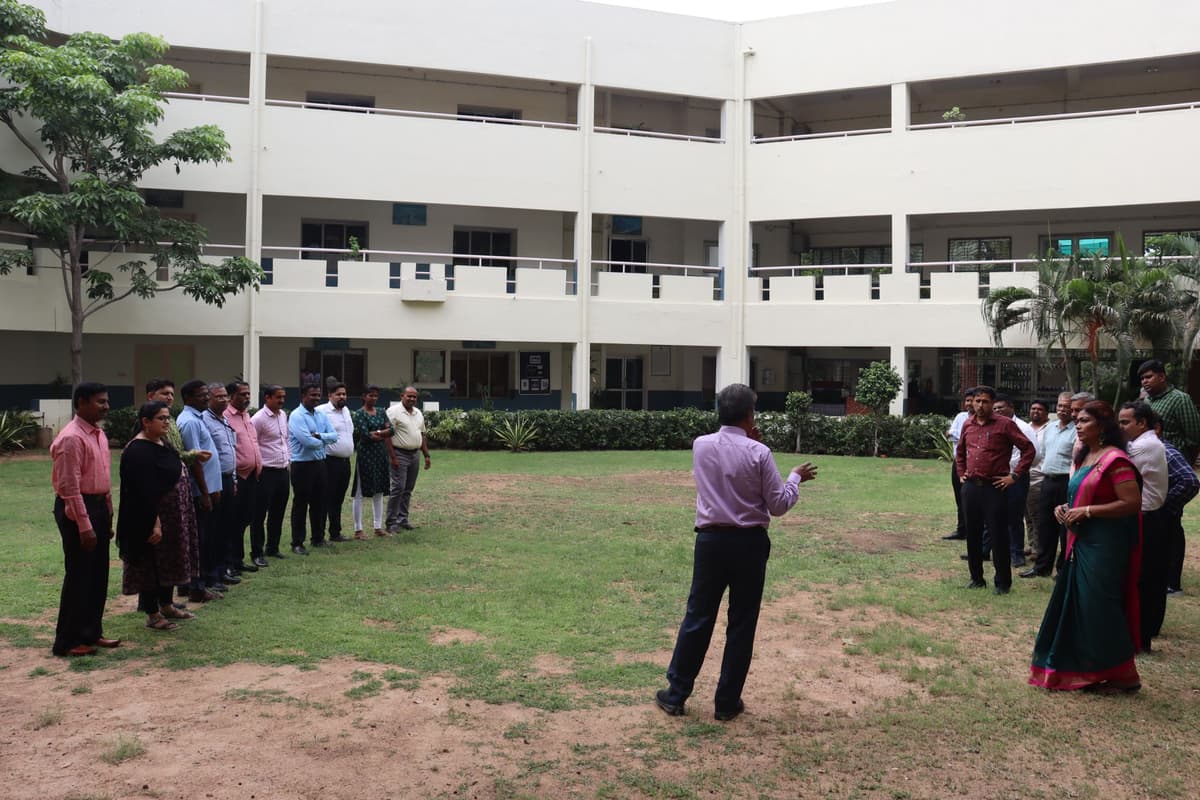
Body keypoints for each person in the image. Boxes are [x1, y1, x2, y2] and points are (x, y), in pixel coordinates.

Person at [655, 384, 817, 721]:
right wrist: (794, 477)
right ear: (750, 415)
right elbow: (779, 504)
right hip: (749, 544)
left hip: (710, 542)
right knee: (741, 623)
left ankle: (676, 693)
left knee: (698, 616)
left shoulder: (700, 446)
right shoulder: (760, 452)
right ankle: (727, 702)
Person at [1030, 401, 1142, 693]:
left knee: (1099, 605)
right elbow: (1081, 495)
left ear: (1102, 426)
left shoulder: (1115, 460)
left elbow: (1131, 503)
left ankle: (1121, 674)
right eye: (1077, 421)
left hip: (1105, 544)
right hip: (1080, 539)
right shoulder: (1085, 455)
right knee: (1078, 607)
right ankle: (1085, 669)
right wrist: (1066, 508)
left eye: (1084, 421)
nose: (1077, 425)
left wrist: (1088, 511)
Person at [50, 382, 117, 657]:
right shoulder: (71, 438)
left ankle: (91, 632)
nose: (106, 406)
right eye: (100, 401)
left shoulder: (98, 434)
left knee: (98, 574)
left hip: (99, 506)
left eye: (106, 401)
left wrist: (109, 512)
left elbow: (103, 476)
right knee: (79, 574)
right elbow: (69, 488)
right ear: (81, 403)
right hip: (78, 510)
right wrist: (85, 525)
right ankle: (67, 640)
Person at [116, 402, 196, 632]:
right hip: (150, 518)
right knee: (150, 564)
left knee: (169, 560)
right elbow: (140, 491)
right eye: (161, 418)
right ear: (146, 422)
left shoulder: (162, 443)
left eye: (167, 418)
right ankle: (152, 613)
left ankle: (167, 604)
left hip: (174, 517)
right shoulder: (137, 450)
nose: (166, 422)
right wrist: (155, 521)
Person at [955, 385, 1036, 595]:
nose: (980, 405)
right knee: (972, 534)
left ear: (992, 403)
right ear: (971, 402)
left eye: (985, 401)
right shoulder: (967, 424)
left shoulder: (1004, 424)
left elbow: (1028, 449)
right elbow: (961, 451)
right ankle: (976, 578)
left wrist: (1014, 476)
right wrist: (961, 472)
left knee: (998, 535)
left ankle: (1002, 582)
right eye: (977, 401)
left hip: (995, 487)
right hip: (971, 487)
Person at [145, 378, 208, 604]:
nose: (170, 398)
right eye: (164, 393)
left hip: (177, 496)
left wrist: (189, 456)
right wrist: (193, 456)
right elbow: (162, 458)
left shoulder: (169, 421)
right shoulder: (145, 426)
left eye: (171, 394)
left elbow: (174, 452)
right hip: (161, 498)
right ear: (150, 396)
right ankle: (153, 604)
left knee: (174, 550)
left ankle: (168, 600)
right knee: (158, 553)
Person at [1118, 401, 1168, 652]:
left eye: (1125, 422)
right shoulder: (1140, 443)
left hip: (1145, 519)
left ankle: (1141, 638)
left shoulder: (1144, 446)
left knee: (1143, 581)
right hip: (1143, 517)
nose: (1121, 427)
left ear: (1142, 423)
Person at [177, 380, 225, 598]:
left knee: (206, 537)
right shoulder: (189, 422)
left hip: (208, 489)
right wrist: (205, 493)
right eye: (201, 395)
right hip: (199, 492)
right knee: (200, 540)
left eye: (207, 394)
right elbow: (194, 460)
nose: (207, 398)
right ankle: (197, 585)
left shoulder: (198, 418)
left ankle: (196, 583)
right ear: (188, 398)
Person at [1022, 393, 1075, 579]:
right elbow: (1043, 453)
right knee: (1045, 526)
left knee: (1064, 528)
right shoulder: (1051, 428)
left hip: (1066, 482)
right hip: (1048, 480)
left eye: (1067, 406)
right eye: (1060, 406)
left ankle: (1062, 570)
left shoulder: (1077, 430)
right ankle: (1041, 567)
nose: (1062, 409)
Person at [991, 395, 1042, 569]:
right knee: (994, 515)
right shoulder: (993, 425)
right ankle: (990, 551)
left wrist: (1018, 471)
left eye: (1001, 407)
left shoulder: (1022, 427)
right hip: (996, 478)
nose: (997, 411)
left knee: (1014, 517)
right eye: (995, 408)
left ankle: (1017, 554)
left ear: (1011, 407)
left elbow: (1034, 454)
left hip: (1016, 478)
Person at [289, 382, 338, 554]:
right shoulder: (296, 416)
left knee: (320, 503)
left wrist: (319, 436)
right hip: (302, 465)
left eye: (318, 395)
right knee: (301, 504)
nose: (316, 398)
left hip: (320, 464)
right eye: (313, 395)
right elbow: (307, 442)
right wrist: (322, 439)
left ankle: (318, 538)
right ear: (303, 395)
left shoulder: (320, 415)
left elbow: (334, 436)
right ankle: (297, 542)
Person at [202, 382, 242, 587]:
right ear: (208, 399)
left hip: (228, 479)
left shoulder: (224, 419)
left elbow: (231, 451)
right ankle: (212, 574)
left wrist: (234, 478)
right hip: (214, 482)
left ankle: (224, 568)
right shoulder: (205, 421)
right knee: (214, 529)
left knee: (226, 526)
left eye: (225, 396)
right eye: (218, 397)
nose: (224, 400)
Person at [224, 380, 263, 569]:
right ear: (231, 396)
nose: (247, 397)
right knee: (234, 521)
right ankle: (231, 561)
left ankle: (237, 560)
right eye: (243, 394)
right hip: (238, 476)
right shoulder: (226, 416)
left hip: (253, 476)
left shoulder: (247, 415)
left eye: (248, 394)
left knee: (247, 518)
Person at [1158, 420, 1199, 596]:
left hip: (1163, 511)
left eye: (1126, 422)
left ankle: (1172, 585)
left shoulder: (1165, 451)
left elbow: (1189, 481)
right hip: (1156, 511)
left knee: (1171, 537)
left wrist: (1165, 504)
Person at [251, 385, 291, 560]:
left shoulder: (283, 415)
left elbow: (285, 440)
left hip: (283, 471)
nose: (281, 400)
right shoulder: (258, 419)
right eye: (278, 397)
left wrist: (288, 460)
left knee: (278, 511)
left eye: (283, 397)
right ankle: (257, 552)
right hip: (266, 472)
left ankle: (272, 548)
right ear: (267, 398)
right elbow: (253, 444)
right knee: (259, 513)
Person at [385, 386, 431, 533]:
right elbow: (387, 435)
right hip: (399, 453)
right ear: (402, 396)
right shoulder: (393, 412)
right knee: (398, 487)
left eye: (414, 397)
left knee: (408, 489)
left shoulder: (418, 413)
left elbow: (422, 434)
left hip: (415, 454)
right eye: (409, 396)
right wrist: (392, 457)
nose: (412, 399)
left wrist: (426, 455)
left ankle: (402, 519)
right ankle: (391, 522)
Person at [1138, 359, 1200, 463]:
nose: (1144, 381)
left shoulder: (1180, 399)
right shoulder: (1147, 400)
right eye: (1142, 378)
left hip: (1174, 462)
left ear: (1162, 377)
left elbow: (1194, 437)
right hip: (1150, 460)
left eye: (1149, 377)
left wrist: (1186, 461)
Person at [351, 384, 392, 538]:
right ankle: (358, 529)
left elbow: (392, 430)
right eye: (370, 395)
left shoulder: (382, 411)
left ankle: (378, 527)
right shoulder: (360, 414)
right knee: (360, 491)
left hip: (380, 454)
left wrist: (379, 432)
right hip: (366, 455)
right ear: (363, 396)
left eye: (376, 395)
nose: (373, 398)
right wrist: (383, 432)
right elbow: (366, 435)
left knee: (379, 490)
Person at [317, 382, 355, 543]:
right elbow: (316, 435)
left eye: (344, 394)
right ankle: (319, 535)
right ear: (330, 396)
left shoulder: (346, 411)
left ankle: (335, 532)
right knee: (325, 498)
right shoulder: (321, 411)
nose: (342, 397)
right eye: (338, 394)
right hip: (329, 462)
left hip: (345, 462)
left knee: (338, 498)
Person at [942, 388, 976, 542]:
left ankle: (973, 531)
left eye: (972, 401)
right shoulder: (961, 416)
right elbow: (950, 434)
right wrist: (957, 435)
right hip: (959, 462)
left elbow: (959, 436)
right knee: (959, 497)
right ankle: (961, 529)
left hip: (973, 464)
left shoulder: (982, 421)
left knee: (971, 499)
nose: (969, 404)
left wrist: (957, 435)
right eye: (967, 400)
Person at [1024, 399, 1050, 560]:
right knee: (1027, 513)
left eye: (1040, 409)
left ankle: (1039, 547)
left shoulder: (1050, 429)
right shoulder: (1026, 427)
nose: (1035, 412)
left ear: (1046, 413)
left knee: (1037, 514)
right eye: (1033, 408)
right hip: (1024, 475)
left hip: (1039, 476)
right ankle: (1032, 543)